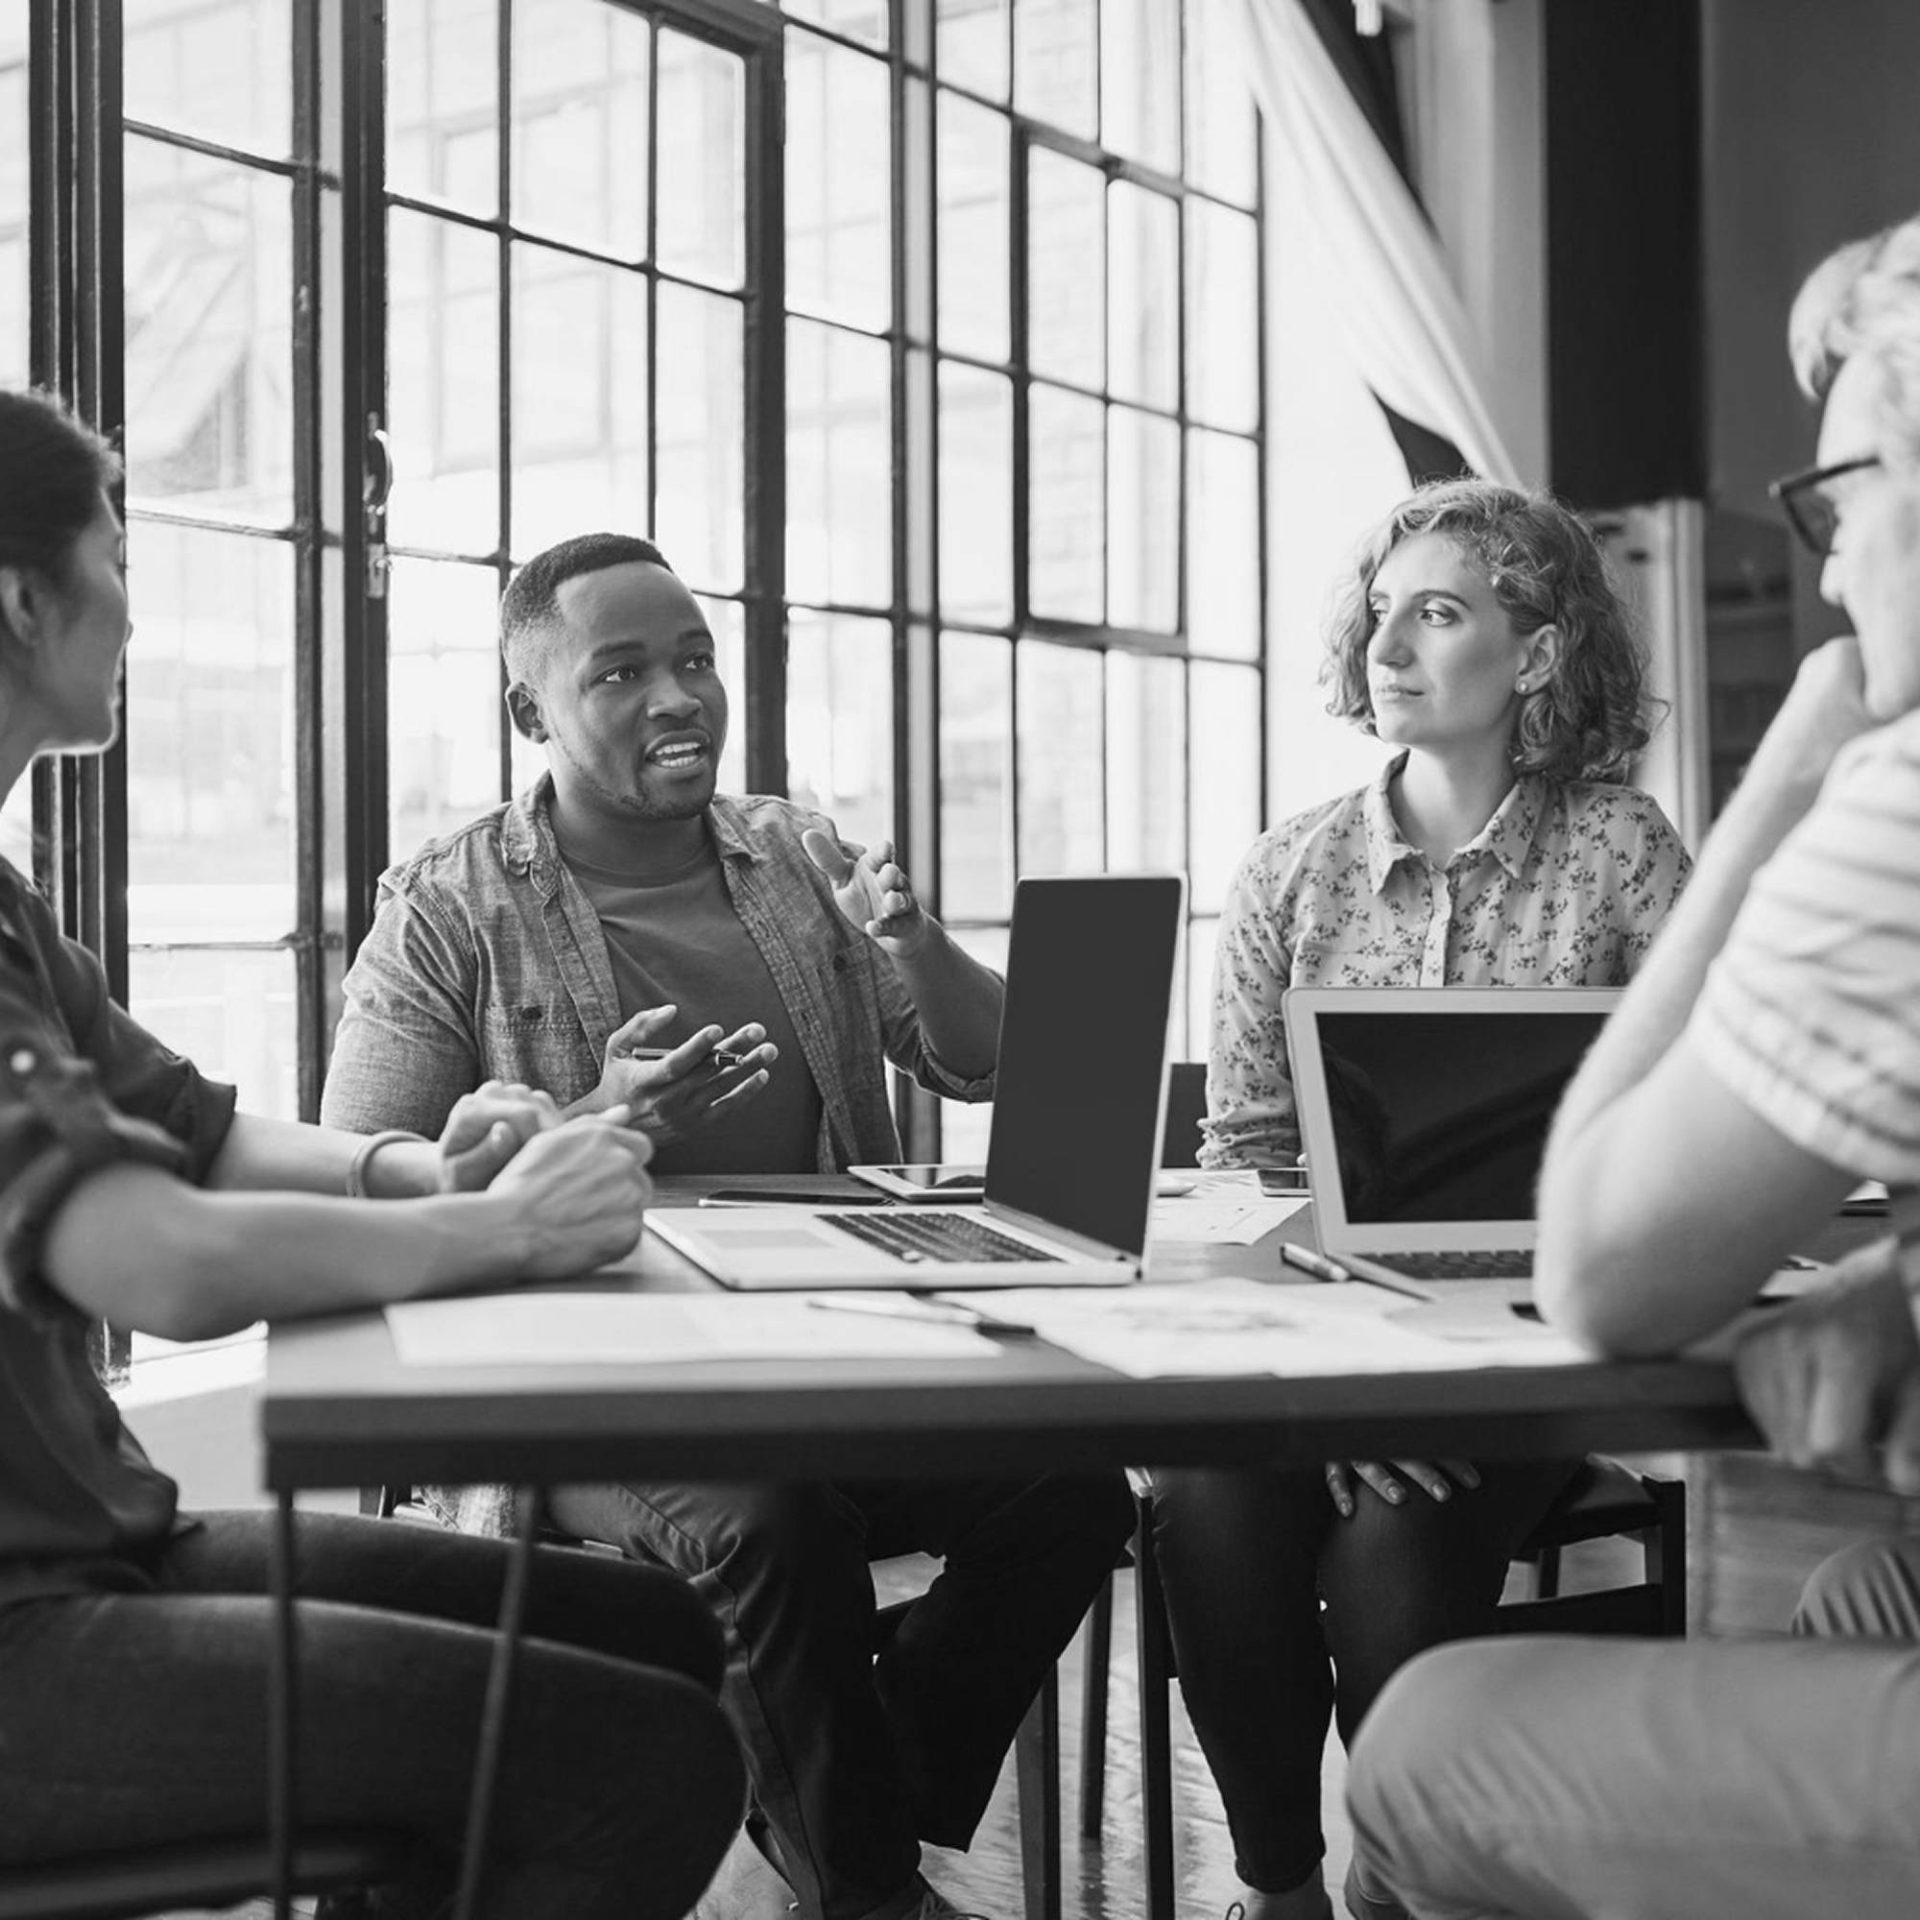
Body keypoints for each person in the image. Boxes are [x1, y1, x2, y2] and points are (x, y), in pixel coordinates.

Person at [0, 388, 745, 1920]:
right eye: (121, 562)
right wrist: (507, 1236)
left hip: (88, 1549)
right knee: (646, 1758)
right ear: (24, 599)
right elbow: (157, 1256)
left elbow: (198, 1134)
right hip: (23, 1631)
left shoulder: (8, 911)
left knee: (654, 1642)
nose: (136, 613)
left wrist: (427, 1177)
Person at [321, 531, 1133, 1920]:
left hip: (828, 1356)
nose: (679, 697)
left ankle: (850, 1790)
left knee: (1070, 1492)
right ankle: (867, 1890)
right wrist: (596, 1121)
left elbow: (995, 1062)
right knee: (773, 1525)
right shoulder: (445, 908)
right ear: (532, 712)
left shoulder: (792, 856)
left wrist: (913, 946)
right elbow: (360, 1174)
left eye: (695, 660)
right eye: (623, 671)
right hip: (584, 1396)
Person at [1346, 212, 1920, 1920]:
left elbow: (1604, 1268)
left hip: (1566, 1316)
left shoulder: (1867, 807)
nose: (1822, 567)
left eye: (1841, 498)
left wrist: (1805, 753)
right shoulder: (1301, 861)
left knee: (1429, 1737)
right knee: (1837, 1604)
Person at [1151, 479, 1693, 1920]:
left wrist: (1434, 1380)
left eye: (1439, 612)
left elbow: (1672, 1136)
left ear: (1536, 653)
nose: (1389, 643)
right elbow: (1250, 1158)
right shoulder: (1290, 866)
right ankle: (1281, 1890)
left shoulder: (1622, 851)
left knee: (1395, 1543)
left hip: (1532, 1340)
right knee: (1207, 1500)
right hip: (1325, 1335)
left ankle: (1403, 1881)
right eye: (1381, 611)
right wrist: (1341, 1385)